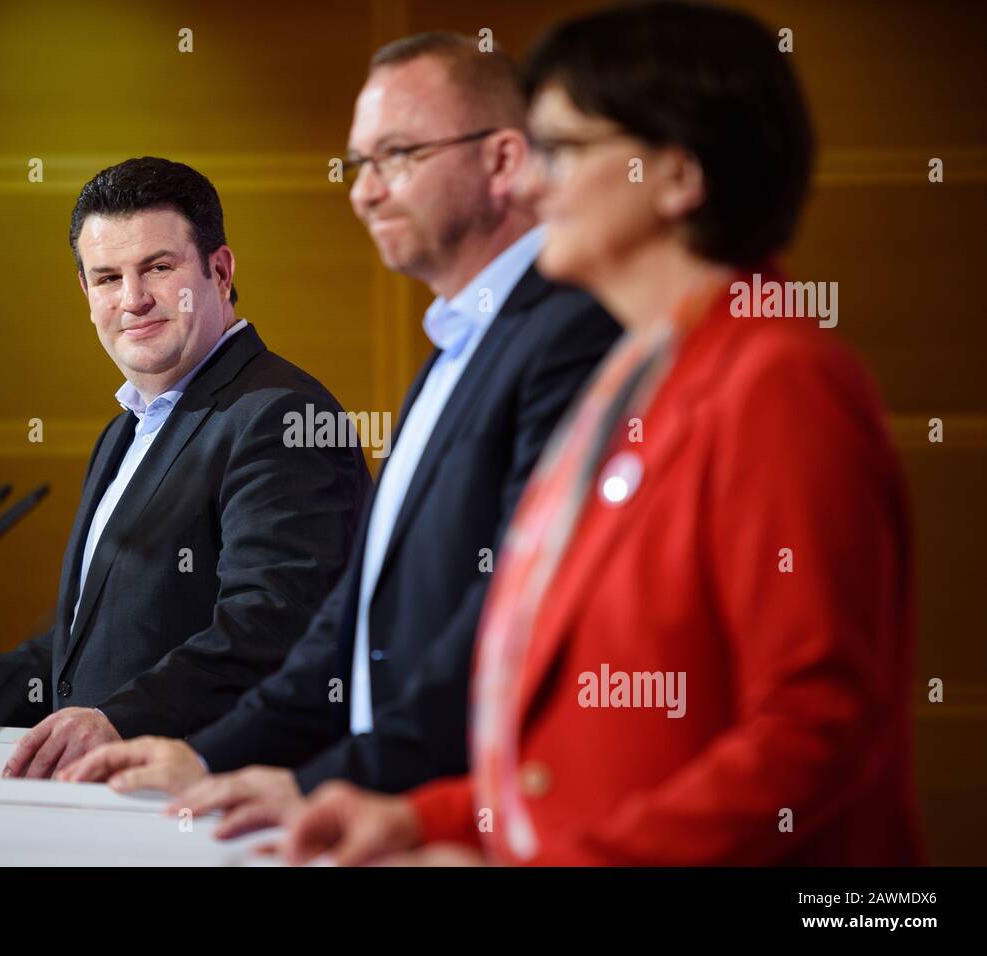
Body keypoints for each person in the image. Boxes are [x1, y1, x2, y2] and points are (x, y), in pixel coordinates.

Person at [282, 0, 924, 867]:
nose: (532, 184)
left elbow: (815, 728)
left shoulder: (779, 378)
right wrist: (424, 819)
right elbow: (577, 751)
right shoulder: (635, 380)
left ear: (677, 175)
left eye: (563, 150)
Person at [59, 34, 619, 839]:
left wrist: (327, 779)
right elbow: (352, 619)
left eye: (396, 155)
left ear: (502, 161)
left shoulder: (568, 333)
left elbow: (508, 619)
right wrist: (220, 758)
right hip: (384, 807)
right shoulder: (454, 347)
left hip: (466, 819)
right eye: (360, 164)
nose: (364, 193)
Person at [0, 157, 370, 782]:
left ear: (220, 269)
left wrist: (116, 720)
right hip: (112, 808)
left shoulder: (279, 415)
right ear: (86, 292)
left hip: (214, 809)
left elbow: (274, 630)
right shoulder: (127, 429)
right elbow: (90, 644)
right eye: (107, 277)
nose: (133, 300)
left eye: (158, 267)